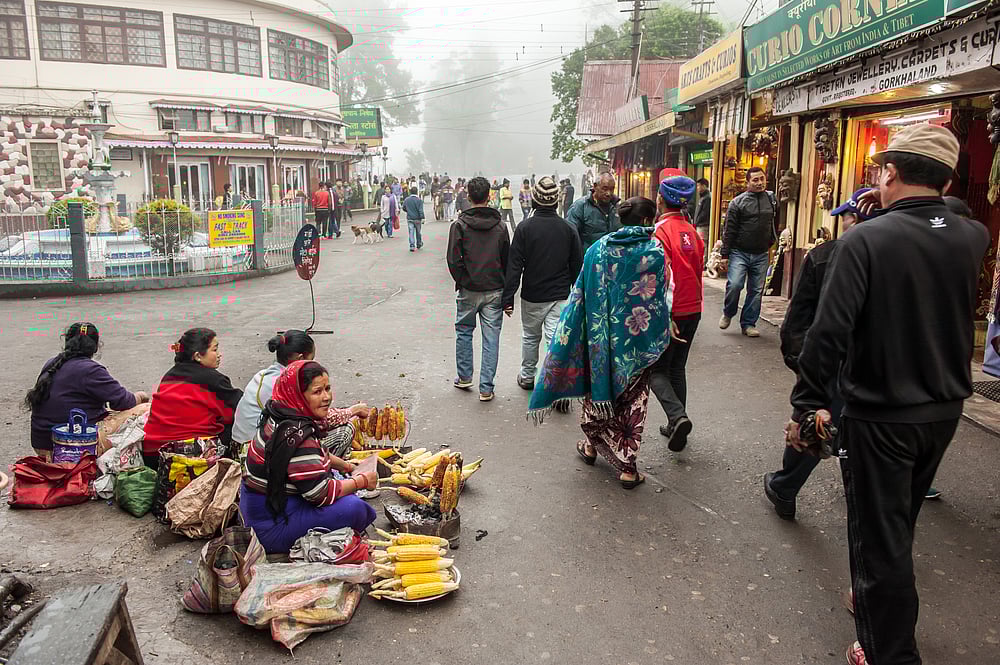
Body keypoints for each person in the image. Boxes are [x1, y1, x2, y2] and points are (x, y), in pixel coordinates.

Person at [785, 124, 989, 665]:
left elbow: (829, 331)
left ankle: (890, 652)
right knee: (898, 522)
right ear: (946, 182)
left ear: (889, 173)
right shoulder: (972, 236)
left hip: (881, 414)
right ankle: (875, 605)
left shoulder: (864, 241)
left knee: (879, 539)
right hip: (943, 409)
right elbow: (947, 222)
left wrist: (806, 404)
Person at [528, 218, 672, 489]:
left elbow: (582, 291)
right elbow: (663, 295)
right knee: (633, 403)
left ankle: (591, 446)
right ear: (646, 220)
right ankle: (627, 468)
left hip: (600, 337)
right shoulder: (656, 250)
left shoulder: (598, 249)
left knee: (598, 391)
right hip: (638, 341)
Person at [763, 189, 874, 522]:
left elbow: (799, 321)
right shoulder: (903, 256)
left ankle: (785, 487)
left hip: (833, 360)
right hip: (880, 365)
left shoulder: (826, 255)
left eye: (846, 218)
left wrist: (800, 365)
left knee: (816, 422)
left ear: (855, 219)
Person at [240, 360, 377, 554]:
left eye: (327, 389)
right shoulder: (296, 435)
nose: (326, 397)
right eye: (317, 392)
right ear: (298, 394)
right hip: (270, 527)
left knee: (341, 483)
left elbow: (318, 452)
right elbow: (320, 494)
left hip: (267, 504)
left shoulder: (281, 413)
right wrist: (361, 481)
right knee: (354, 508)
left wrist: (346, 467)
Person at [502, 176, 583, 393]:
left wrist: (508, 298)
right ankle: (555, 380)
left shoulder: (524, 228)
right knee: (555, 338)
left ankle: (528, 376)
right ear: (556, 201)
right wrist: (579, 297)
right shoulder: (568, 228)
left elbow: (514, 266)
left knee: (530, 337)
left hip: (533, 295)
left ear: (535, 200)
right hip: (560, 295)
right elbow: (577, 266)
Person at [25, 322, 150, 460]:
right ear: (95, 347)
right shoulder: (91, 370)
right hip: (70, 448)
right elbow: (124, 402)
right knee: (147, 409)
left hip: (42, 445)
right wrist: (141, 396)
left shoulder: (52, 363)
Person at [648, 172, 703, 452]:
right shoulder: (692, 231)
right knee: (677, 367)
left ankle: (677, 416)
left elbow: (663, 276)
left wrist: (665, 315)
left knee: (655, 369)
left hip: (672, 310)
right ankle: (676, 423)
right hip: (694, 307)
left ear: (660, 199)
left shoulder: (660, 232)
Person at [447, 176, 511, 402]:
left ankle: (465, 377)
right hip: (494, 289)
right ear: (489, 196)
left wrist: (463, 279)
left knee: (464, 331)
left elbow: (453, 259)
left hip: (468, 289)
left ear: (468, 196)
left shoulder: (460, 225)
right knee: (491, 338)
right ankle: (486, 387)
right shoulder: (500, 226)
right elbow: (507, 259)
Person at [143, 328, 243, 469]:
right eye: (215, 350)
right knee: (238, 423)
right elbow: (241, 406)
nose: (219, 354)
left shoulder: (169, 376)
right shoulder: (214, 380)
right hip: (186, 457)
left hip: (152, 454)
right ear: (197, 356)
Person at [719, 166, 776, 338]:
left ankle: (749, 324)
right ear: (748, 182)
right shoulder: (737, 203)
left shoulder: (772, 199)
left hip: (761, 253)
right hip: (739, 252)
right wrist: (724, 255)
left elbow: (774, 222)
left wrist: (772, 242)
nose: (760, 183)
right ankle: (728, 312)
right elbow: (729, 230)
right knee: (735, 284)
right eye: (755, 180)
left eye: (762, 179)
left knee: (756, 291)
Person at [565, 172, 620, 251]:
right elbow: (569, 235)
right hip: (588, 256)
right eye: (605, 189)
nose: (608, 193)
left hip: (612, 256)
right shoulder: (580, 207)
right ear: (595, 186)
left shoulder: (617, 208)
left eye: (612, 189)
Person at [693, 178, 711, 265]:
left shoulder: (707, 198)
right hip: (700, 225)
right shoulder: (703, 197)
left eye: (698, 186)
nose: (697, 188)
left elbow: (704, 213)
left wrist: (697, 221)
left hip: (703, 225)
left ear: (704, 186)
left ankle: (703, 263)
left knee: (703, 244)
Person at [403, 186, 425, 252]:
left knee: (411, 232)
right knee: (418, 232)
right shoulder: (419, 200)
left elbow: (404, 208)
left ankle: (412, 245)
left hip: (410, 218)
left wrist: (408, 211)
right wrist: (422, 217)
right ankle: (419, 243)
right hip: (417, 219)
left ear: (410, 192)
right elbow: (420, 210)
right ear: (417, 192)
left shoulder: (406, 200)